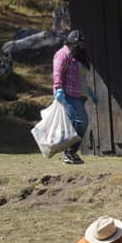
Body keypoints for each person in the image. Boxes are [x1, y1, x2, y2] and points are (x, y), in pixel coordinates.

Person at [53, 29, 90, 165]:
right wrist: (58, 89)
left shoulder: (72, 56)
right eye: (77, 44)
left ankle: (69, 153)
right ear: (72, 43)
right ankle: (69, 152)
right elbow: (57, 72)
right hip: (65, 94)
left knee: (76, 123)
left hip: (74, 94)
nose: (79, 46)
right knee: (81, 121)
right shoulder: (62, 54)